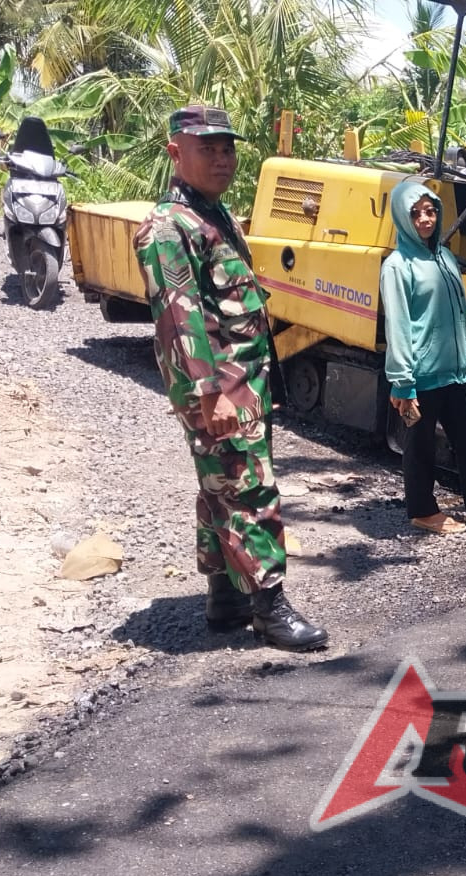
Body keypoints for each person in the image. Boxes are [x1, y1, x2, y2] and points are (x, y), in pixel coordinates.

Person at [133, 106, 327, 650]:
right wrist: (208, 393)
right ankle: (270, 607)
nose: (222, 159)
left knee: (221, 486)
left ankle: (226, 597)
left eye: (227, 149)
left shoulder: (214, 215)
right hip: (218, 386)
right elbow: (180, 321)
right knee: (249, 488)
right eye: (208, 149)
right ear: (176, 153)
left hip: (244, 382)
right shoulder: (169, 227)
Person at [381, 181, 466, 535]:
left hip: (453, 372)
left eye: (430, 212)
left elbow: (462, 310)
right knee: (420, 446)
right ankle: (423, 511)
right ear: (403, 218)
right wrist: (402, 382)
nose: (425, 219)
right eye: (416, 214)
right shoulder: (398, 266)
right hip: (420, 375)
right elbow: (398, 325)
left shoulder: (444, 257)